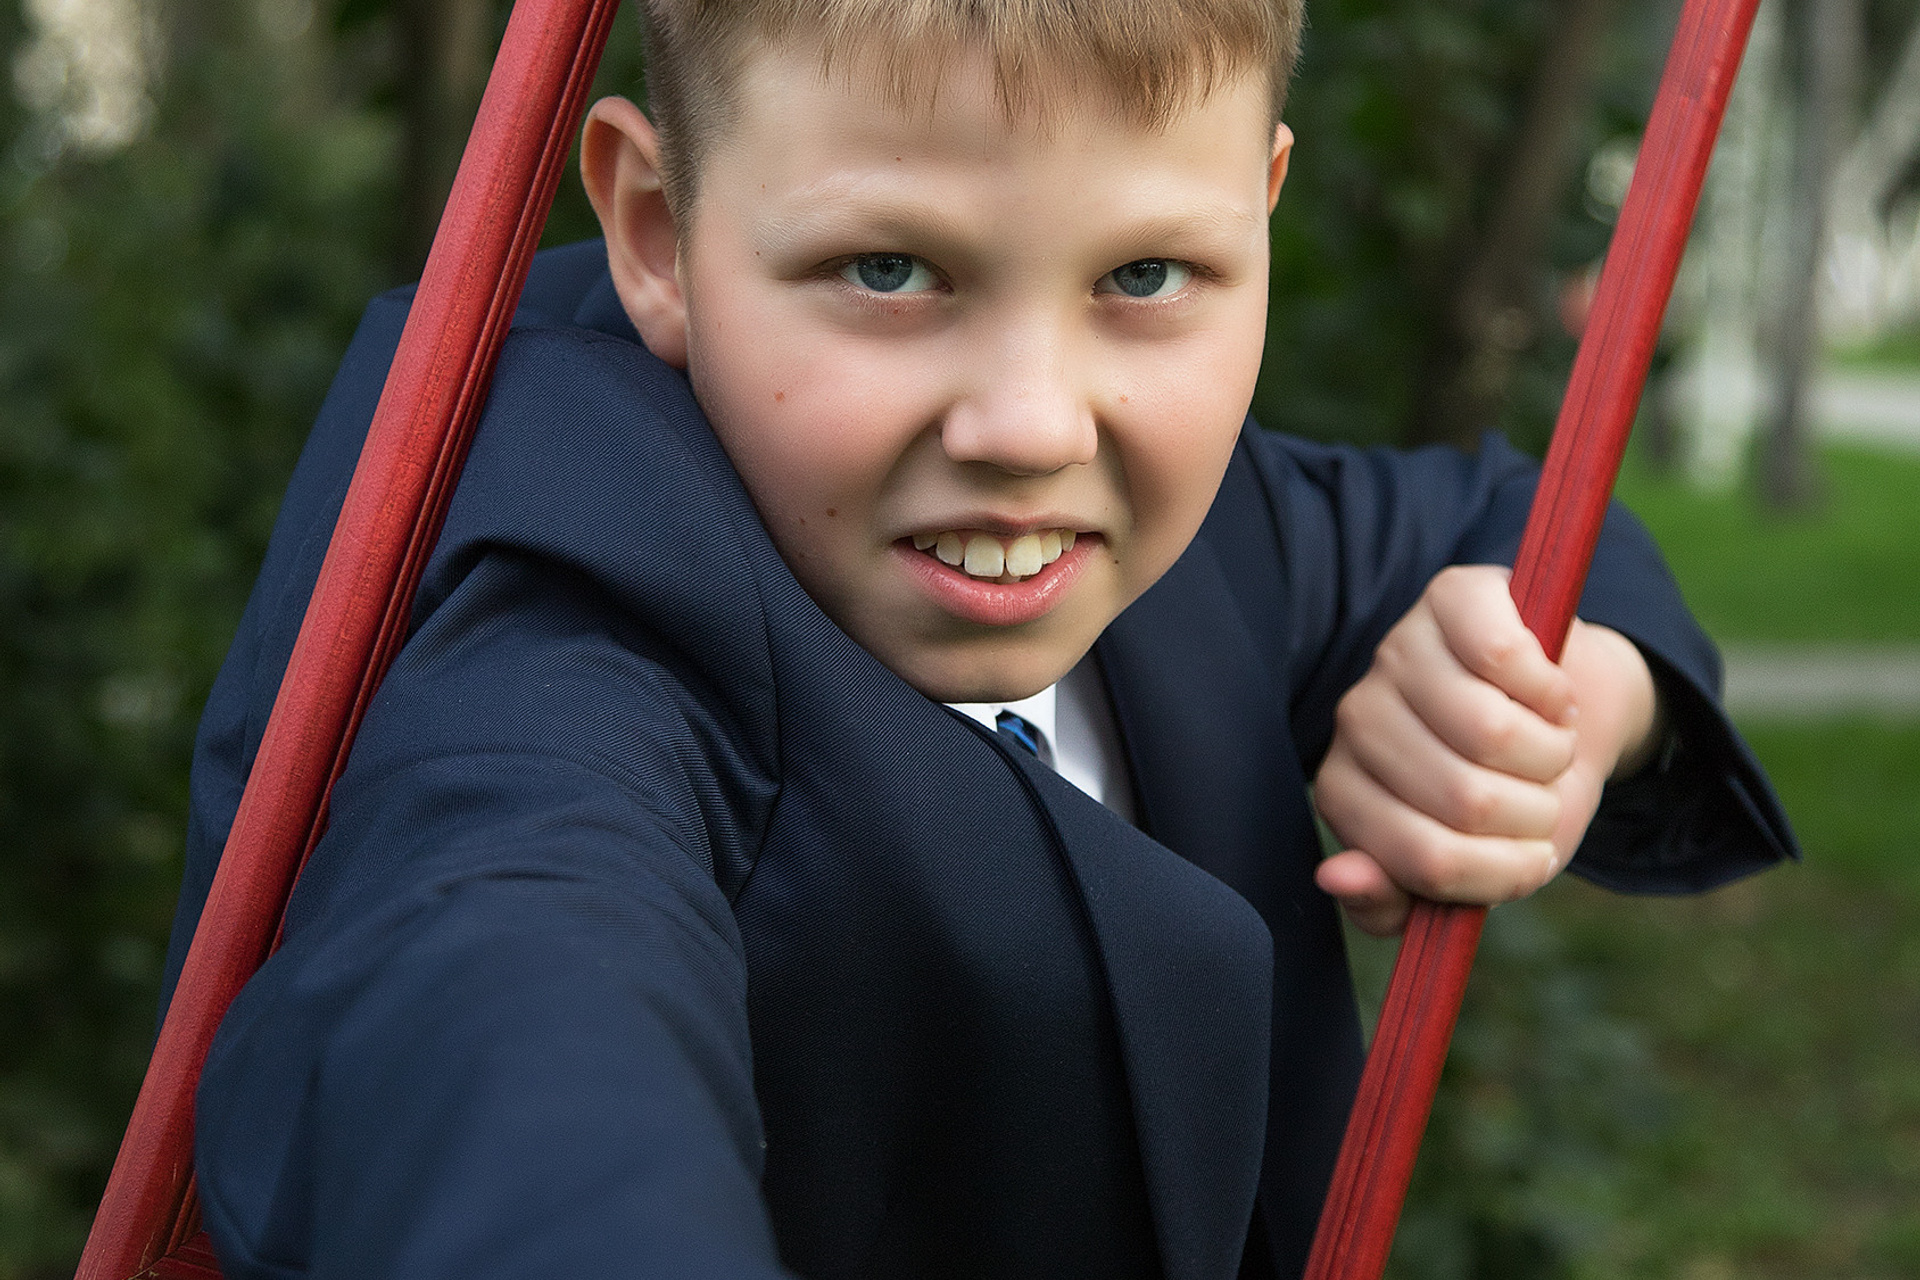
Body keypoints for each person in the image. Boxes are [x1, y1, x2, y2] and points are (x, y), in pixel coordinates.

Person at [167, 1, 1795, 1276]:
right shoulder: (561, 651)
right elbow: (498, 1000)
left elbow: (1493, 515)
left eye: (1149, 272)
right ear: (657, 231)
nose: (1031, 427)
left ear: (1264, 210)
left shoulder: (1211, 528)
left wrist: (1578, 695)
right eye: (891, 270)